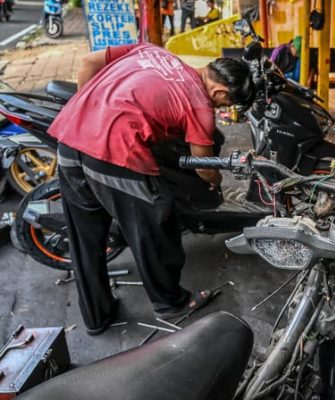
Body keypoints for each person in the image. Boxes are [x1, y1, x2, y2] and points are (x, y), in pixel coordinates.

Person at [48, 43, 255, 335]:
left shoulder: (152, 51)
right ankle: (171, 303)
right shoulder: (200, 104)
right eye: (224, 105)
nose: (220, 110)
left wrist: (89, 110)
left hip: (70, 138)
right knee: (159, 221)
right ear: (220, 92)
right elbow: (203, 165)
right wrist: (215, 182)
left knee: (85, 241)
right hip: (113, 153)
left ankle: (97, 317)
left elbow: (88, 61)